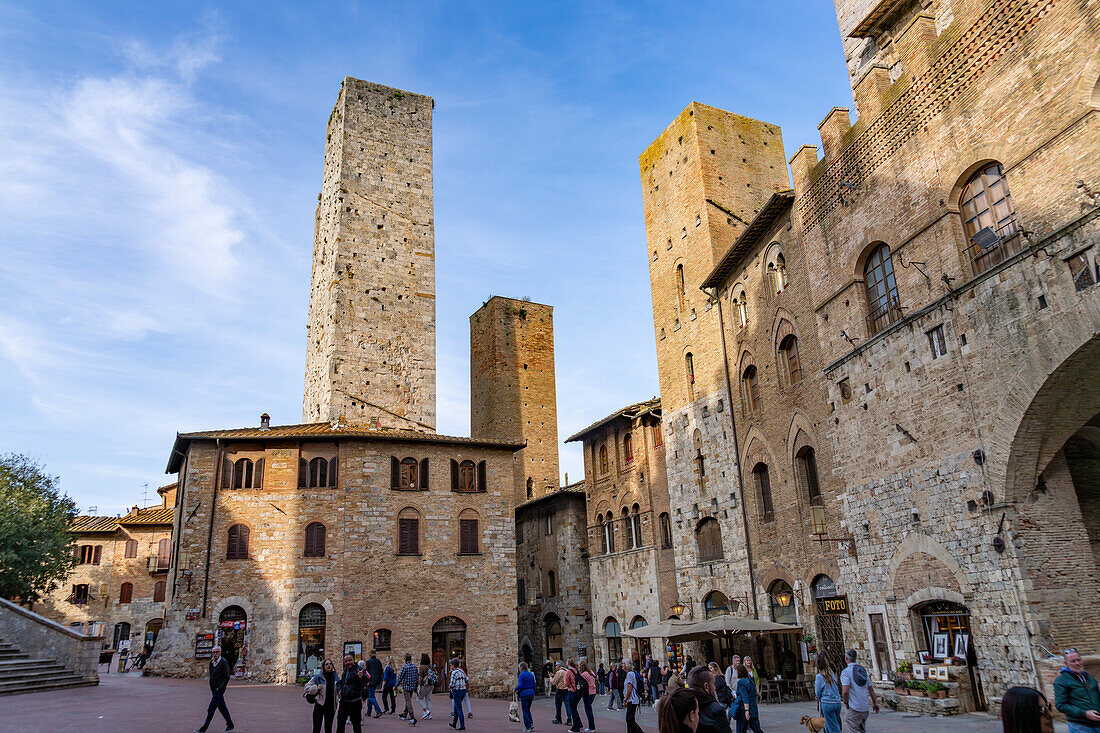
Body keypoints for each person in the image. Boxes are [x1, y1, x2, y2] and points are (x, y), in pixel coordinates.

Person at [1054, 649, 1100, 733]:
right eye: (1073, 661)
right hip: (1080, 726)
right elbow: (1061, 705)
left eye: (1078, 660)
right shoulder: (1061, 681)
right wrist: (1084, 713)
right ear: (1066, 663)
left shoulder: (1090, 679)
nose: (1077, 663)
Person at [193, 645, 234, 733]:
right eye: (213, 652)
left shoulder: (223, 662)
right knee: (222, 707)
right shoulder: (211, 662)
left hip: (219, 689)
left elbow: (227, 676)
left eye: (217, 652)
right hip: (213, 688)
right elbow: (212, 674)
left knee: (211, 708)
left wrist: (221, 687)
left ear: (220, 652)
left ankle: (203, 728)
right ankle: (230, 725)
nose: (215, 654)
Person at [839, 649, 878, 732]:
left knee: (853, 728)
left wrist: (846, 702)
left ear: (846, 658)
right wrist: (875, 703)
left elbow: (845, 691)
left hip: (854, 707)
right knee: (862, 729)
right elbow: (870, 689)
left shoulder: (846, 672)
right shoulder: (863, 671)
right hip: (864, 707)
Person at [686, 665, 730, 733]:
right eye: (713, 684)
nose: (715, 688)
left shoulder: (684, 707)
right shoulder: (716, 711)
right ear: (706, 687)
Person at [305, 659, 337, 733]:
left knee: (328, 728)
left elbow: (339, 689)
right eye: (326, 664)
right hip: (320, 706)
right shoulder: (318, 677)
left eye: (330, 664)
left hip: (331, 706)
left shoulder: (335, 677)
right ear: (323, 666)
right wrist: (316, 688)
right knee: (316, 728)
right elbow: (307, 688)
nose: (329, 665)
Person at [336, 654, 366, 733]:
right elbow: (344, 682)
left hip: (354, 701)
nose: (348, 663)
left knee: (356, 726)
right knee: (340, 723)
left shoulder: (359, 669)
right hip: (344, 701)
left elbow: (366, 680)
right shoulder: (345, 670)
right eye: (346, 661)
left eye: (349, 660)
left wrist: (361, 676)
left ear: (353, 660)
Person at [814, 655, 843, 733]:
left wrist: (818, 697)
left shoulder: (819, 677)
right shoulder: (832, 674)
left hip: (827, 703)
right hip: (837, 702)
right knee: (829, 723)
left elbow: (817, 692)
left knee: (833, 727)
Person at [731, 666, 762, 733]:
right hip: (753, 708)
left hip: (743, 709)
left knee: (741, 730)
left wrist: (746, 710)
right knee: (757, 729)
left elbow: (745, 697)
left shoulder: (741, 682)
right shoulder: (750, 681)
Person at [397, 653, 420, 725]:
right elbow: (417, 678)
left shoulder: (405, 667)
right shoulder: (415, 667)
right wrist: (416, 687)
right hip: (413, 686)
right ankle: (404, 713)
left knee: (408, 701)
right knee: (408, 700)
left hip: (406, 686)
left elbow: (400, 677)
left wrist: (395, 686)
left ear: (405, 659)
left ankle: (412, 715)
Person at [516, 661, 538, 732]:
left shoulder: (521, 675)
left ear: (521, 668)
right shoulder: (531, 674)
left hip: (524, 693)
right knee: (528, 709)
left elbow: (520, 685)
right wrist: (534, 692)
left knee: (525, 710)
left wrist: (515, 689)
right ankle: (531, 723)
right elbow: (534, 685)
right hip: (531, 692)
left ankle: (528, 726)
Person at [625, 660, 646, 733]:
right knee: (630, 719)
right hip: (633, 699)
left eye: (623, 664)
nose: (621, 665)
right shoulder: (631, 673)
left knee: (629, 719)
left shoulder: (630, 674)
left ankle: (640, 732)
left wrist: (625, 700)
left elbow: (629, 689)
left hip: (632, 699)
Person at [448, 658, 469, 731]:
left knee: (459, 708)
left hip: (456, 691)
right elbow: (467, 679)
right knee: (456, 708)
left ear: (453, 665)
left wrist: (450, 687)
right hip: (463, 690)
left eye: (451, 665)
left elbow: (451, 684)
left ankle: (462, 726)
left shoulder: (454, 672)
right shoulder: (461, 671)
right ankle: (454, 723)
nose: (450, 666)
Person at [579, 660, 598, 732]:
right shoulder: (591, 672)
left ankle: (591, 727)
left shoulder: (584, 674)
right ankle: (591, 726)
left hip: (587, 693)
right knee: (589, 709)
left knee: (588, 710)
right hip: (593, 692)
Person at [364, 652, 384, 719]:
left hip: (370, 681)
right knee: (370, 695)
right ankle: (369, 712)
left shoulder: (368, 662)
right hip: (376, 681)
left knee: (371, 697)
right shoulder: (378, 661)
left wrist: (367, 680)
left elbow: (366, 672)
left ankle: (378, 711)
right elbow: (381, 671)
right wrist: (379, 680)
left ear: (370, 655)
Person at [552, 660, 573, 725]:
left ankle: (558, 719)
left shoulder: (559, 672)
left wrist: (551, 677)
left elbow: (553, 682)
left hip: (560, 690)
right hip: (567, 690)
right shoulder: (567, 671)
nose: (555, 667)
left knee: (558, 705)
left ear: (559, 666)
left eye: (556, 665)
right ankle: (569, 720)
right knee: (568, 705)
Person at [566, 659, 583, 733]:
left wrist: (569, 685)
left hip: (572, 692)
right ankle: (579, 724)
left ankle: (576, 727)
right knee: (574, 709)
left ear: (568, 663)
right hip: (578, 692)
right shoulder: (576, 670)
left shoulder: (568, 671)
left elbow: (566, 683)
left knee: (573, 710)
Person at [418, 653, 436, 720]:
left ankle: (426, 711)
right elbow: (435, 673)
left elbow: (420, 677)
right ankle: (429, 715)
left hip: (425, 684)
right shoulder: (430, 666)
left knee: (419, 698)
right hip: (431, 684)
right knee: (428, 699)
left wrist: (419, 684)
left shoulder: (422, 667)